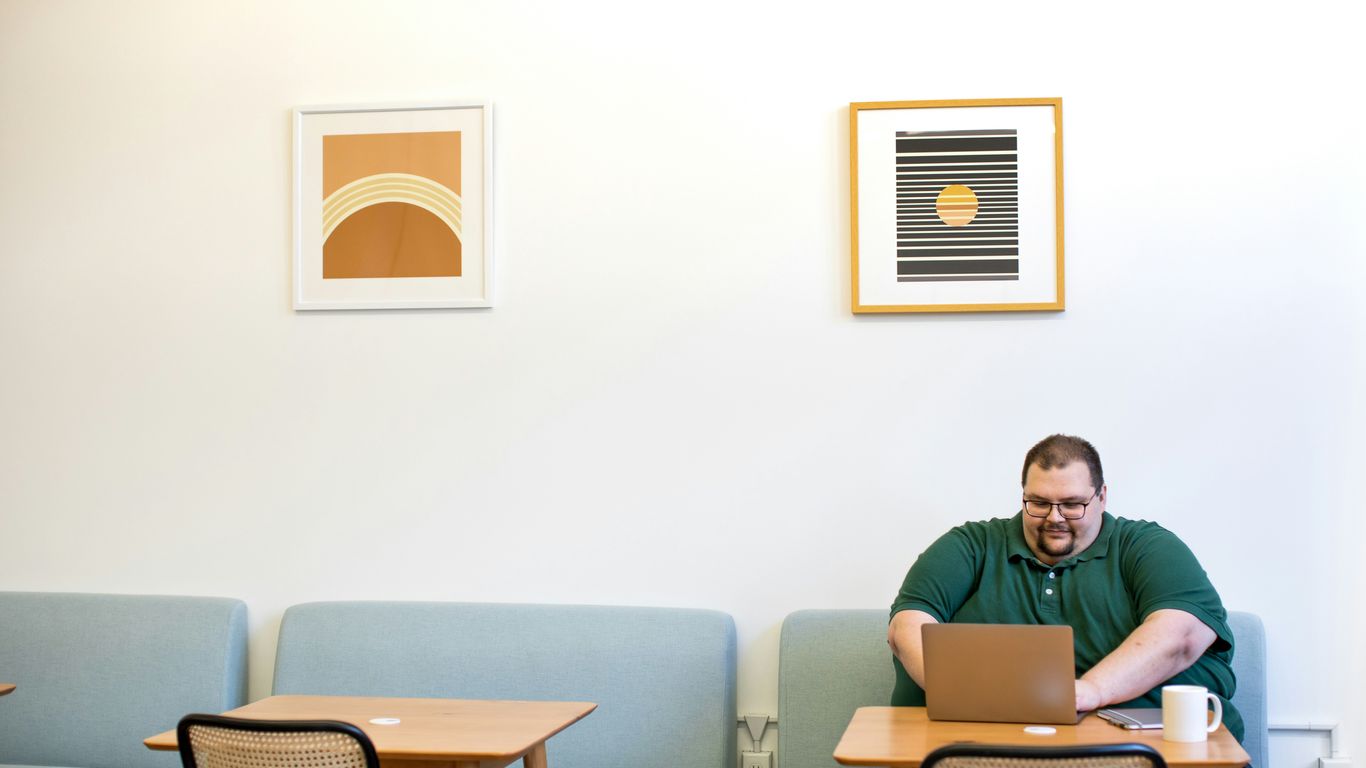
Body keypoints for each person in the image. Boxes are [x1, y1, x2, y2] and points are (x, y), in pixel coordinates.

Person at [887, 434, 1243, 740]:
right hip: (980, 748)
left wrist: (1087, 692)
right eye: (1039, 503)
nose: (1054, 518)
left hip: (1146, 750)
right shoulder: (969, 545)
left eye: (1072, 505)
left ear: (1102, 496)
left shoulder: (1148, 547)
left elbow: (1180, 636)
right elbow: (906, 630)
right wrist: (973, 698)